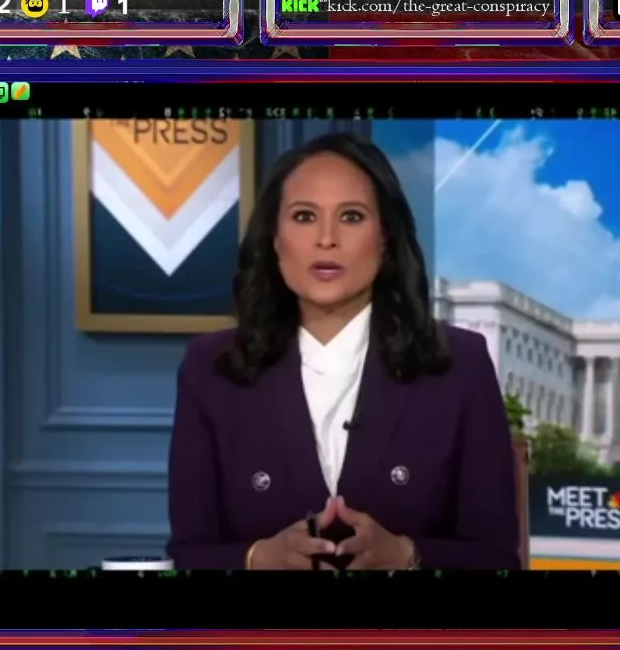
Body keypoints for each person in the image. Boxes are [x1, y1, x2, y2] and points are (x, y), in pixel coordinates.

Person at [166, 133, 520, 571]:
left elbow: (496, 558)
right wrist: (261, 558)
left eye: (351, 216)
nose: (327, 239)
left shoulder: (458, 364)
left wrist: (405, 555)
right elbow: (190, 554)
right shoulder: (211, 368)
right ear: (274, 238)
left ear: (385, 238)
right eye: (304, 216)